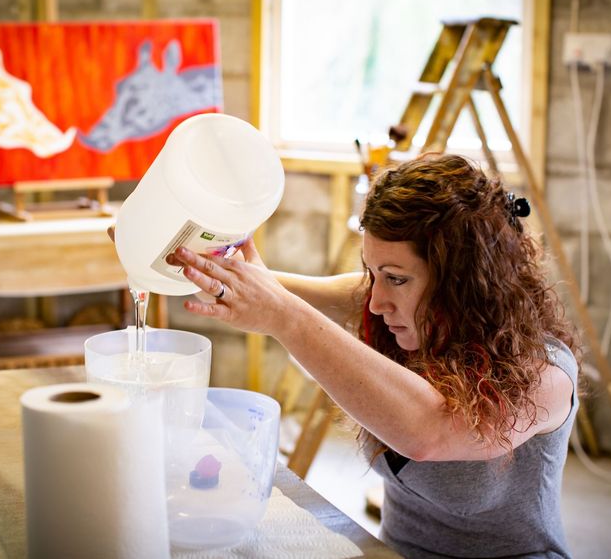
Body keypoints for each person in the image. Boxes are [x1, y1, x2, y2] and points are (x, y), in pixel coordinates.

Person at [169, 152, 580, 558]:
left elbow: (428, 431)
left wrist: (283, 317)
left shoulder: (546, 373)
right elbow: (272, 289)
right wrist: (198, 266)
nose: (376, 302)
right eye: (372, 273)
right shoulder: (402, 312)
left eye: (396, 279)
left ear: (464, 281)